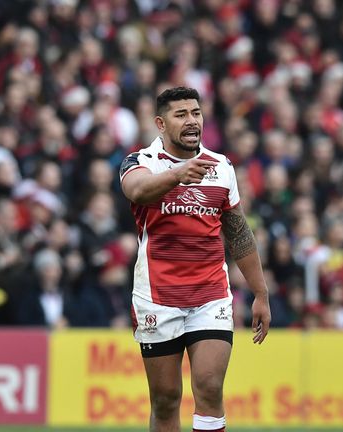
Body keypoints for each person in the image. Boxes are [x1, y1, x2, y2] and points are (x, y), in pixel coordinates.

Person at [120, 87, 271, 432]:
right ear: (160, 123)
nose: (192, 121)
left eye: (196, 113)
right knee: (166, 399)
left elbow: (238, 232)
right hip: (157, 298)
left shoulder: (221, 167)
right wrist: (177, 174)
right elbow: (136, 191)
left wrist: (260, 293)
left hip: (210, 295)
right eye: (181, 115)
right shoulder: (140, 162)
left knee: (209, 386)